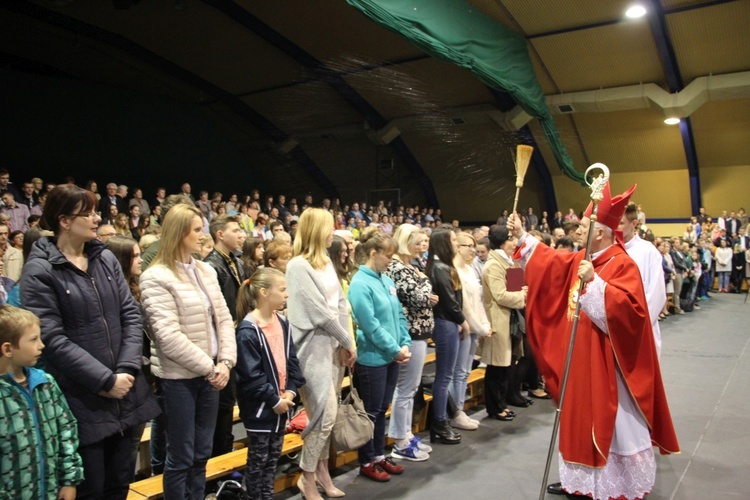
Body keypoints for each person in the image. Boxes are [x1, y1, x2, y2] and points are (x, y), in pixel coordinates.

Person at [508, 182, 679, 500]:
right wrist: (522, 236)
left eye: (584, 225)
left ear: (599, 232)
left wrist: (595, 284)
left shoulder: (620, 263)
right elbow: (552, 264)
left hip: (609, 364)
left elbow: (632, 313)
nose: (578, 230)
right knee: (580, 418)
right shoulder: (585, 258)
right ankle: (584, 482)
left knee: (614, 426)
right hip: (581, 358)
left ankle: (616, 484)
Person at [21, 184, 159, 500]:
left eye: (96, 211)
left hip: (126, 393)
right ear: (64, 220)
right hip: (82, 400)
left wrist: (124, 369)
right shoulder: (40, 271)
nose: (96, 218)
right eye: (88, 213)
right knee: (91, 490)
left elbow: (131, 315)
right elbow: (52, 338)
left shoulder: (106, 259)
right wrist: (104, 380)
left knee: (118, 486)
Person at [139, 203, 236, 500]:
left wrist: (226, 362)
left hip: (212, 376)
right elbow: (167, 336)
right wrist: (210, 367)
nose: (202, 235)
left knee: (201, 454)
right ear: (179, 233)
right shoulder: (155, 277)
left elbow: (224, 318)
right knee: (181, 456)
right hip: (179, 379)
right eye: (196, 230)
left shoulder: (205, 270)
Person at [285, 208, 357, 500]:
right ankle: (307, 478)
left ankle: (322, 475)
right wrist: (346, 341)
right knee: (323, 416)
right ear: (316, 230)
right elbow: (319, 313)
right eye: (329, 228)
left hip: (333, 346)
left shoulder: (326, 261)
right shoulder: (297, 266)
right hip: (311, 348)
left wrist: (346, 342)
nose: (334, 233)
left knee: (327, 414)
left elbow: (340, 305)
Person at [0, 305, 85, 500]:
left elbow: (67, 429)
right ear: (7, 348)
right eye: (33, 340)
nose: (42, 345)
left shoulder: (45, 383)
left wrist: (69, 480)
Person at [234, 268, 305, 500]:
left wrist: (291, 392)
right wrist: (274, 400)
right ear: (264, 292)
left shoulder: (282, 322)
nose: (287, 294)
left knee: (273, 458)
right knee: (258, 461)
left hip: (281, 404)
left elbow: (292, 361)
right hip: (261, 407)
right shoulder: (248, 330)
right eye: (282, 289)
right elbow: (251, 375)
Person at [348, 228, 412, 481]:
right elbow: (369, 324)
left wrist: (404, 342)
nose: (391, 261)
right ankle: (366, 460)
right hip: (372, 358)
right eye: (388, 256)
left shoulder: (386, 279)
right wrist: (394, 349)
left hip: (391, 355)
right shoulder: (359, 283)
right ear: (373, 253)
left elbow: (398, 314)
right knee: (371, 412)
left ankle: (378, 456)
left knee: (382, 408)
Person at [384, 225, 436, 461]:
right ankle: (399, 440)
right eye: (416, 242)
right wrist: (425, 284)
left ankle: (405, 434)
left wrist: (425, 289)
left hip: (419, 331)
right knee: (405, 389)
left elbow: (424, 297)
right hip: (410, 332)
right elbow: (418, 298)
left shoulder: (410, 266)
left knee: (410, 388)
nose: (420, 247)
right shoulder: (396, 267)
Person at [203, 214, 247, 457]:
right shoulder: (211, 265)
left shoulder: (237, 262)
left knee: (232, 400)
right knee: (223, 403)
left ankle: (226, 450)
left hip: (238, 336)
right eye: (236, 230)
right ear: (220, 234)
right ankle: (219, 455)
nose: (241, 234)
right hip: (222, 340)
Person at [478, 226, 526, 422]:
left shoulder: (510, 261)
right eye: (510, 239)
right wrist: (523, 295)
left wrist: (521, 292)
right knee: (497, 367)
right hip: (498, 319)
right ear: (501, 242)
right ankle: (495, 406)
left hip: (512, 318)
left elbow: (517, 287)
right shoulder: (493, 265)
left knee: (507, 364)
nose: (514, 242)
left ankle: (502, 403)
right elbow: (501, 295)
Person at [427, 229, 469, 444]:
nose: (457, 244)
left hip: (447, 323)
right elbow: (450, 300)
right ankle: (440, 422)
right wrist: (462, 320)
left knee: (446, 375)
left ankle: (441, 422)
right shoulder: (440, 268)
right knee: (444, 376)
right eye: (453, 240)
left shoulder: (441, 266)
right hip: (445, 323)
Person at [451, 232, 490, 429]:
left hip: (473, 327)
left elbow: (478, 302)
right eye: (468, 245)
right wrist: (480, 327)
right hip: (463, 326)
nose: (473, 250)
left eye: (474, 246)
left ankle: (460, 409)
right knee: (458, 371)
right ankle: (455, 412)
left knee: (465, 371)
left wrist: (484, 324)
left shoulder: (470, 269)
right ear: (457, 246)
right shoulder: (454, 270)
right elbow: (464, 305)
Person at [619, 203, 666, 358]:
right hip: (614, 325)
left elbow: (656, 294)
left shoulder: (648, 251)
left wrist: (635, 323)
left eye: (621, 223)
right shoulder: (609, 249)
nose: (615, 228)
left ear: (634, 224)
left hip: (640, 326)